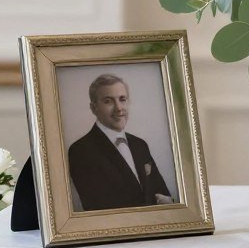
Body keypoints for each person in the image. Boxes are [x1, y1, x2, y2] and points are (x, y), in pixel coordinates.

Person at [67, 73, 176, 211]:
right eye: (108, 101)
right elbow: (98, 207)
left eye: (122, 99)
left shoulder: (140, 145)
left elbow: (163, 194)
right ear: (94, 108)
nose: (119, 108)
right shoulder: (80, 151)